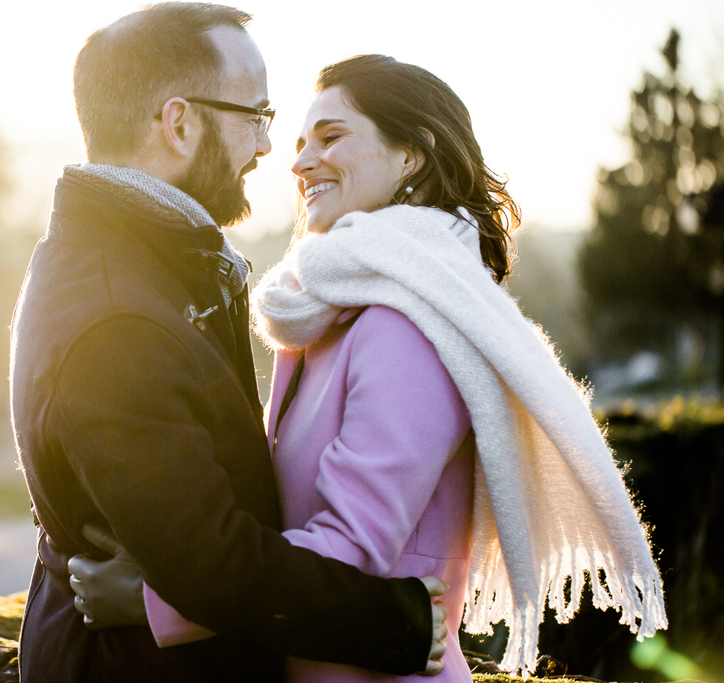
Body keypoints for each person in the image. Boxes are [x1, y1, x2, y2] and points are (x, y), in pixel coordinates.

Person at [72, 55, 669, 681]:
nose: (300, 161)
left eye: (332, 138)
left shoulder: (406, 325)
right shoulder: (329, 315)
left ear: (412, 154)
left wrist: (151, 602)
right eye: (300, 143)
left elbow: (351, 551)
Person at [8, 6, 448, 682]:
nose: (271, 149)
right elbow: (214, 566)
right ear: (179, 123)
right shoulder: (116, 320)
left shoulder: (145, 261)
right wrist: (402, 620)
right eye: (256, 116)